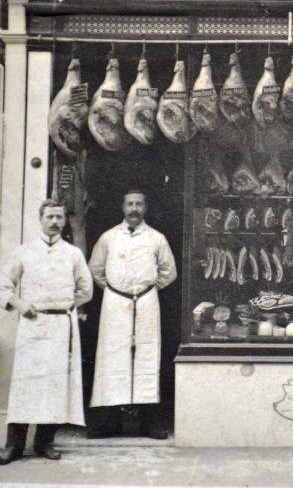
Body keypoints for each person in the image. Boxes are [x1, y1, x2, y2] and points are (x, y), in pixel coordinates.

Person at [0, 200, 93, 464]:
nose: (54, 222)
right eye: (50, 217)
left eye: (59, 217)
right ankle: (14, 446)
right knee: (25, 384)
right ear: (40, 219)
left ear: (65, 221)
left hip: (61, 326)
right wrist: (19, 303)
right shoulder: (24, 252)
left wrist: (65, 306)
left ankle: (44, 443)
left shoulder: (73, 254)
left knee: (54, 384)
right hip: (32, 324)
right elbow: (3, 285)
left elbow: (86, 289)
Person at [88, 190, 177, 439]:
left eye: (139, 204)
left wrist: (147, 291)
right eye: (130, 204)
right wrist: (115, 292)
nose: (134, 208)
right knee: (112, 355)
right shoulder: (108, 238)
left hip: (147, 301)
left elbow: (169, 272)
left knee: (147, 355)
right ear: (122, 207)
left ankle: (150, 423)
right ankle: (109, 423)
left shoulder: (156, 238)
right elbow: (95, 269)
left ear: (145, 207)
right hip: (115, 302)